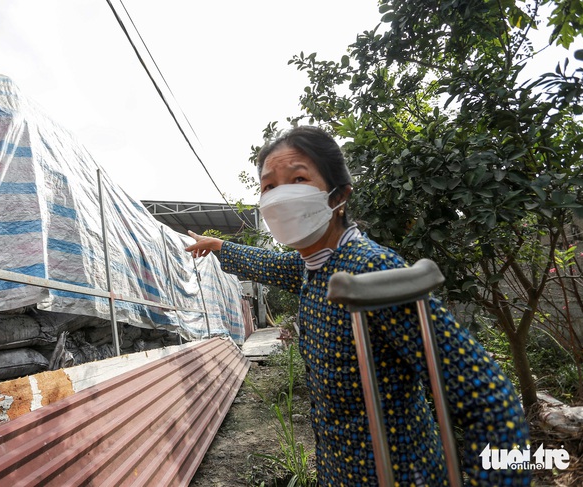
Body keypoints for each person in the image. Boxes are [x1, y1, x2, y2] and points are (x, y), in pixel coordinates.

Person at [185, 125, 531, 486]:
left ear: (339, 196)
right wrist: (219, 246)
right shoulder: (316, 265)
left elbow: (491, 400)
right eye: (269, 186)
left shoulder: (372, 269)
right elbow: (272, 265)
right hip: (340, 472)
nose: (280, 196)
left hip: (399, 474)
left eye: (298, 178)